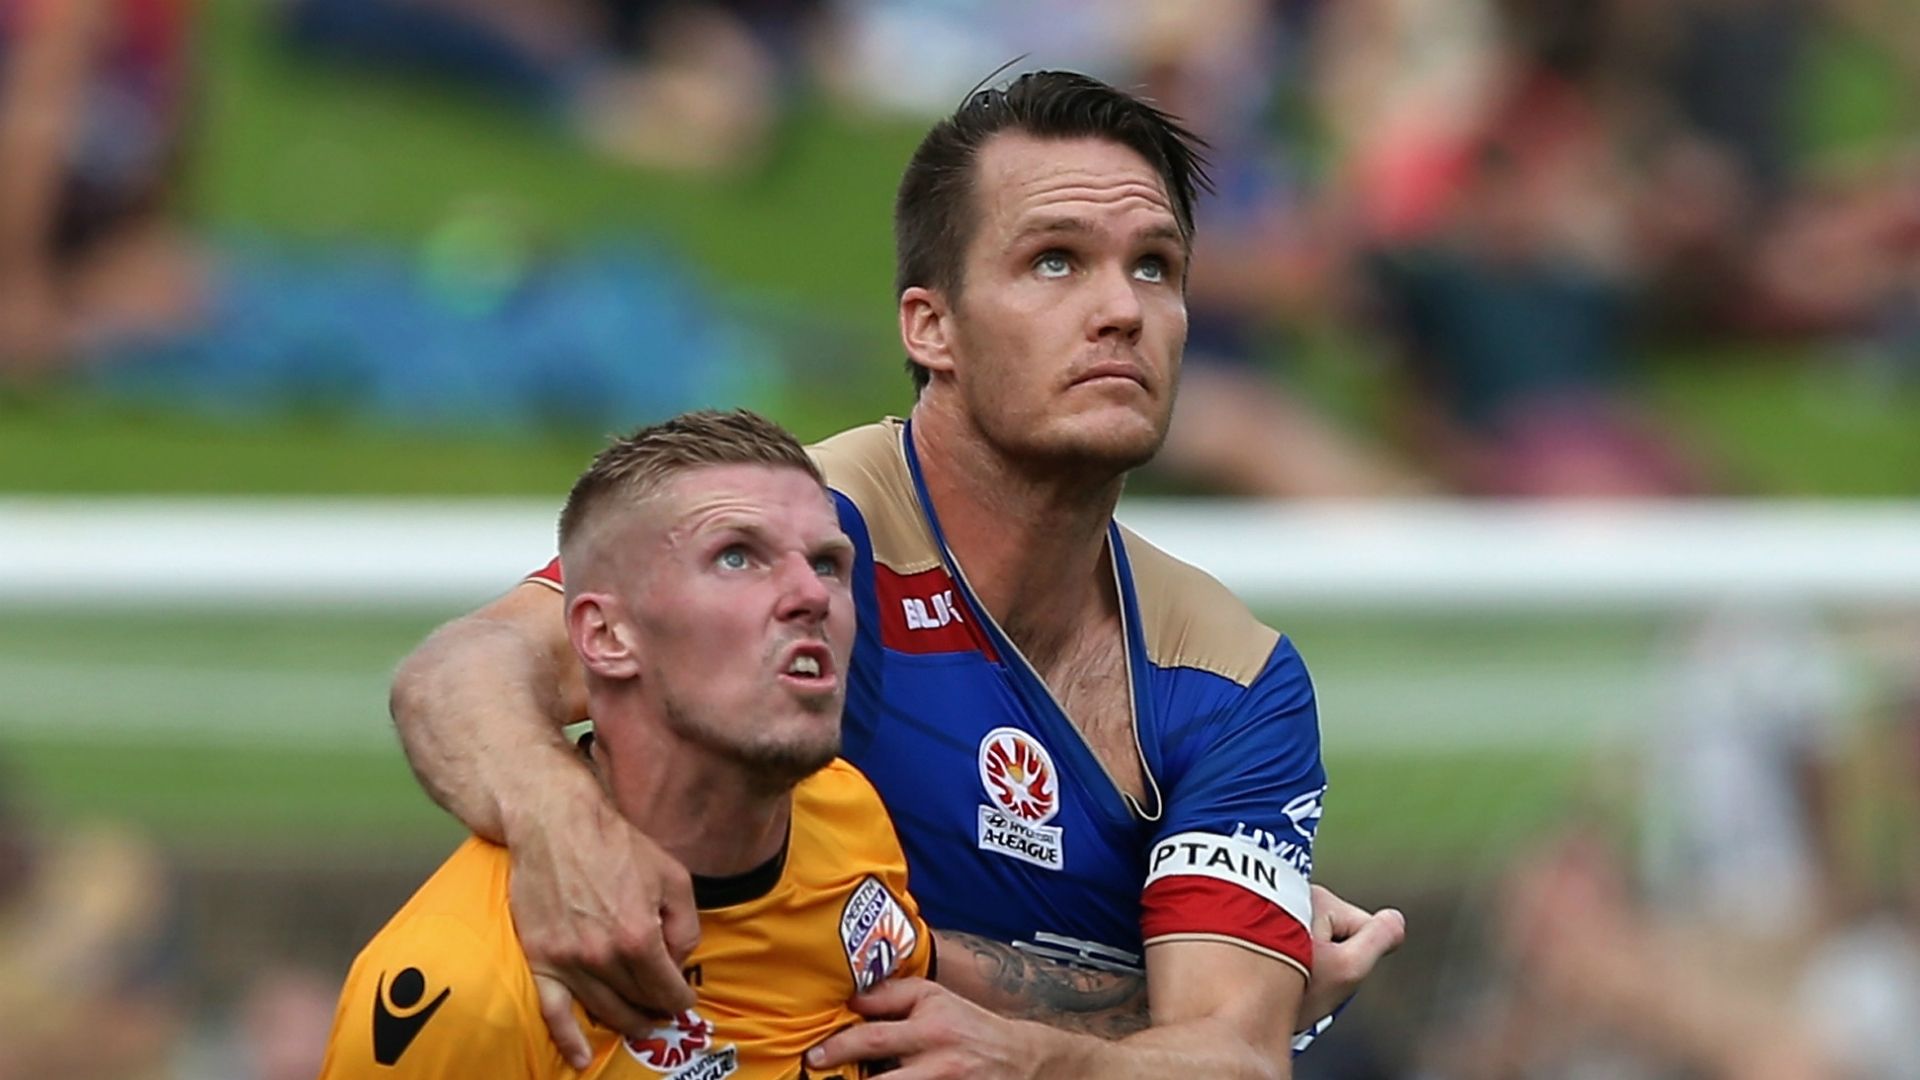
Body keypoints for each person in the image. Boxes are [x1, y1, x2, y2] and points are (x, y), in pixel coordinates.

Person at [390, 72, 1406, 1078]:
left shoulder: (1232, 681)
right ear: (931, 326)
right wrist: (558, 825)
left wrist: (1041, 1059)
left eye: (1154, 267)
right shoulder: (806, 537)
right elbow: (461, 671)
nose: (1120, 309)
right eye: (1055, 262)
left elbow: (1236, 1060)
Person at [319, 410, 939, 1078]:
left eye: (827, 563)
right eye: (736, 556)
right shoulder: (470, 987)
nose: (810, 595)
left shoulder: (846, 812)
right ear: (606, 636)